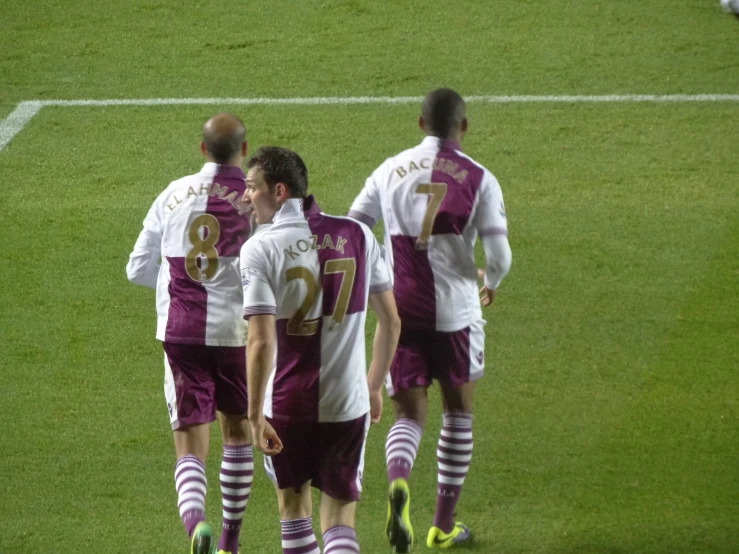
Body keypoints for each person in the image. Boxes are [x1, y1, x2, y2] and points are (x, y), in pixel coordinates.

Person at [347, 88, 512, 551]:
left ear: (419, 123)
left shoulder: (389, 169)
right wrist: (491, 280)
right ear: (464, 127)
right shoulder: (480, 178)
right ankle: (441, 525)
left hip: (400, 312)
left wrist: (378, 273)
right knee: (458, 411)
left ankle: (399, 481)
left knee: (407, 413)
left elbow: (355, 227)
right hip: (457, 314)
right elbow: (499, 255)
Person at [239, 146, 401, 554]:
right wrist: (376, 385)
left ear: (279, 191)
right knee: (340, 519)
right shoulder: (358, 234)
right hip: (348, 403)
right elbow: (391, 320)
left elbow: (260, 340)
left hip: (287, 405)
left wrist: (254, 415)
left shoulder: (260, 248)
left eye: (251, 188)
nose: (244, 197)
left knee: (293, 509)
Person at [126, 113, 254, 554]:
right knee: (238, 432)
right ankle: (229, 542)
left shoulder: (172, 193)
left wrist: (175, 287)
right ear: (244, 148)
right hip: (236, 333)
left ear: (202, 149)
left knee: (189, 444)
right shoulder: (253, 200)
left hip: (180, 333)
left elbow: (137, 268)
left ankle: (197, 524)